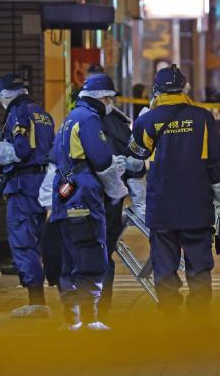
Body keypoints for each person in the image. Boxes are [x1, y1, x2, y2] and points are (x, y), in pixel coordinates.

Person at [128, 65, 220, 313]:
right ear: (184, 88)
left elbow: (134, 160)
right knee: (199, 268)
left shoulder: (147, 120)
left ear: (156, 90)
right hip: (196, 206)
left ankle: (170, 319)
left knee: (164, 267)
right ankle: (199, 318)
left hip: (162, 207)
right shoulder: (203, 118)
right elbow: (218, 165)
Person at [50, 75, 129, 331]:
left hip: (64, 195)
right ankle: (89, 318)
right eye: (110, 99)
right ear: (103, 98)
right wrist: (117, 187)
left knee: (70, 258)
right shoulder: (89, 119)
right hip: (83, 195)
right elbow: (102, 160)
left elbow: (55, 156)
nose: (110, 104)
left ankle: (70, 319)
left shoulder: (70, 118)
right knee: (91, 254)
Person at [0, 73, 55, 318]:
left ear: (4, 95)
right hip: (41, 184)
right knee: (39, 238)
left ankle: (36, 302)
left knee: (23, 241)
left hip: (23, 185)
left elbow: (21, 150)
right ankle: (51, 295)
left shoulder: (18, 112)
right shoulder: (43, 113)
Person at [81, 71, 147, 317]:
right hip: (107, 200)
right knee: (102, 250)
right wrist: (138, 200)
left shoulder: (82, 120)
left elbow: (134, 165)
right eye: (107, 98)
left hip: (93, 200)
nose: (109, 103)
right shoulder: (114, 124)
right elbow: (135, 166)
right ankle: (99, 305)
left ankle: (94, 305)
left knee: (92, 250)